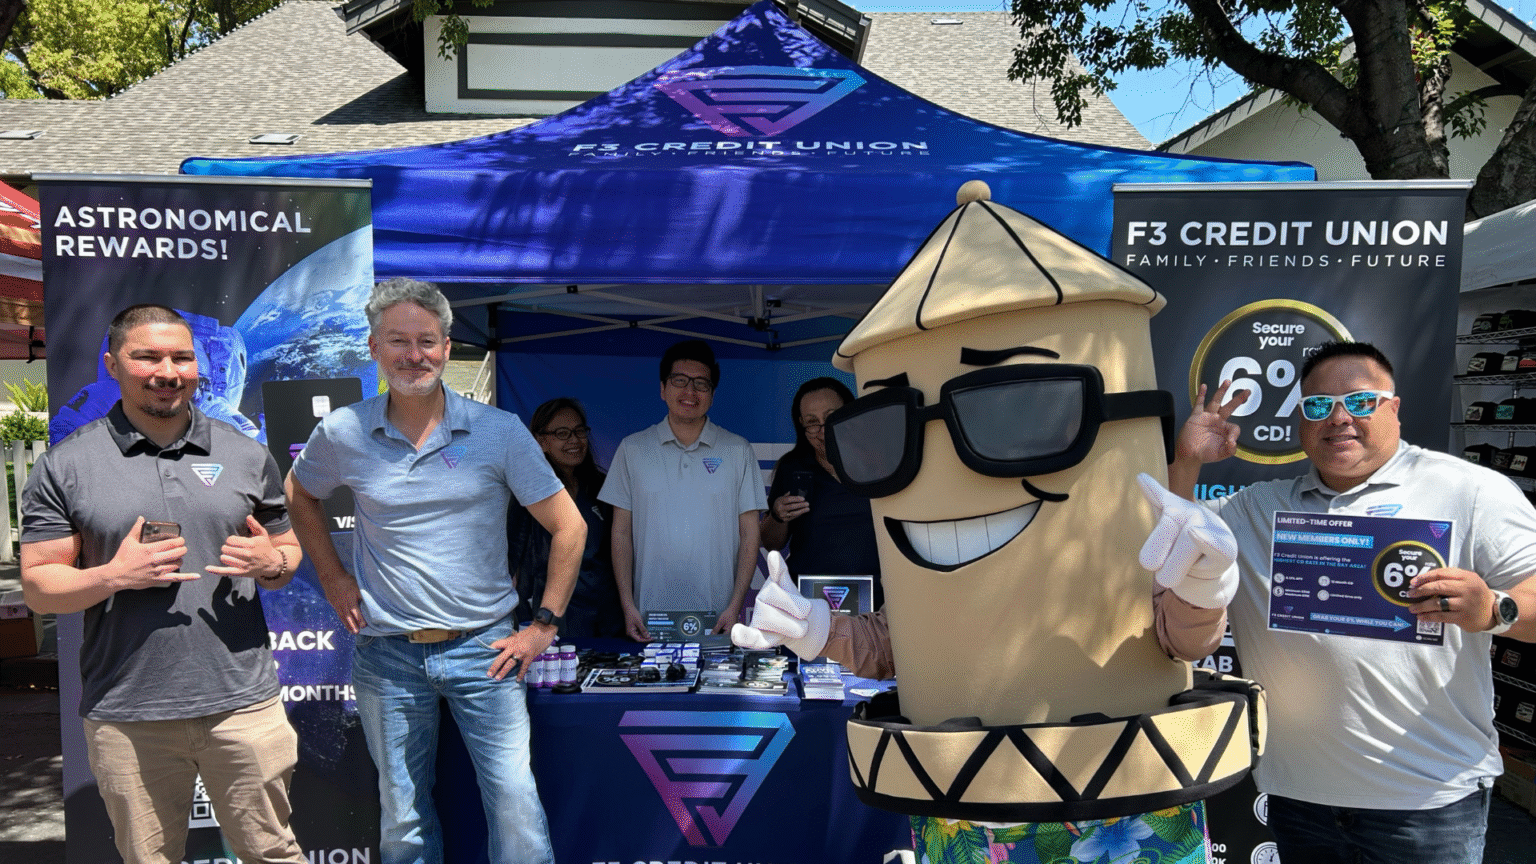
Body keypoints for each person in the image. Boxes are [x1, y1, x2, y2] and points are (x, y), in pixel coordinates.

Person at [1170, 340, 1536, 863]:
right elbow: (1170, 540)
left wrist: (1493, 610)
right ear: (1301, 419)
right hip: (1299, 796)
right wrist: (1186, 462)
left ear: (1394, 408)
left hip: (1427, 801)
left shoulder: (1469, 491)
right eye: (1319, 405)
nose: (1339, 418)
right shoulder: (1258, 508)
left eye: (1361, 401)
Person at [284, 278, 585, 864]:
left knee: (515, 804)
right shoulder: (344, 430)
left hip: (486, 650)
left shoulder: (499, 431)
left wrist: (543, 625)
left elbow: (569, 528)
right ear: (374, 347)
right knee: (403, 816)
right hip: (387, 654)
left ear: (447, 348)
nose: (413, 355)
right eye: (398, 341)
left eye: (426, 341)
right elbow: (299, 493)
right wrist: (333, 578)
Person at [19, 304, 307, 864]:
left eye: (181, 357)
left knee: (273, 853)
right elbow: (38, 586)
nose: (168, 372)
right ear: (112, 365)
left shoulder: (246, 454)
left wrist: (271, 562)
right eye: (147, 357)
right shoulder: (66, 464)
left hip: (242, 705)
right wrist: (113, 575)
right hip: (128, 711)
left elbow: (288, 555)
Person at [600, 338, 766, 640]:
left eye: (701, 384)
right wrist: (627, 605)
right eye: (680, 381)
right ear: (663, 388)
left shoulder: (738, 450)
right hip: (649, 619)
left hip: (718, 619)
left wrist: (735, 605)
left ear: (712, 395)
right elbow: (620, 532)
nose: (690, 392)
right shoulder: (632, 449)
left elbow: (750, 533)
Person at [761, 376, 882, 607]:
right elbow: (771, 543)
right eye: (812, 422)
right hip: (810, 604)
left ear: (851, 414)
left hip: (876, 603)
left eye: (831, 417)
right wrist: (778, 515)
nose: (823, 431)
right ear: (802, 425)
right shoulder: (793, 468)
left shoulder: (881, 464)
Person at [509, 397, 623, 637]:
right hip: (548, 618)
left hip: (604, 616)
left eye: (579, 431)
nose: (574, 440)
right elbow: (510, 558)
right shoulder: (526, 493)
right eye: (562, 433)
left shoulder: (601, 487)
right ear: (541, 442)